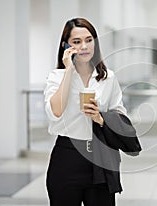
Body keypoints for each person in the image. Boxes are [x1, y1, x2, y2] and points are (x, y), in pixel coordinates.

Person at [44, 17, 130, 206]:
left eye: (89, 40)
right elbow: (55, 112)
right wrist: (68, 70)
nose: (84, 46)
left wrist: (100, 118)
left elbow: (121, 117)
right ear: (66, 45)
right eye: (77, 41)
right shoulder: (56, 76)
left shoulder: (108, 78)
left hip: (100, 157)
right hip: (67, 156)